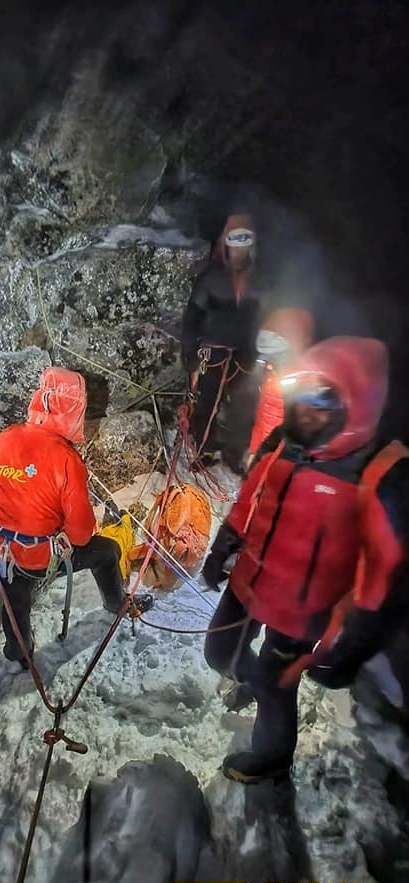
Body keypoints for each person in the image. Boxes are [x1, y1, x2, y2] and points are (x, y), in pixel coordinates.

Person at [201, 336, 409, 783]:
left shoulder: (378, 470)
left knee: (276, 686)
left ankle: (272, 760)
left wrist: (353, 646)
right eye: (300, 393)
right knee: (218, 651)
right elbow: (249, 498)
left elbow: (387, 576)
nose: (305, 409)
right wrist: (225, 544)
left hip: (303, 614)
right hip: (251, 582)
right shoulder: (282, 442)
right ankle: (248, 680)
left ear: (356, 400)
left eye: (322, 397)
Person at [0, 367, 153, 669]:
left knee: (15, 599)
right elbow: (81, 536)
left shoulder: (4, 439)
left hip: (1, 551)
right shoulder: (66, 459)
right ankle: (116, 603)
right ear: (74, 409)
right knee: (106, 551)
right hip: (37, 558)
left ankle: (17, 652)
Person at [180, 211, 262, 474]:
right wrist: (189, 353)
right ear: (226, 244)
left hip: (244, 355)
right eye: (235, 243)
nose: (239, 251)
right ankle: (203, 449)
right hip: (213, 355)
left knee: (243, 406)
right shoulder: (211, 277)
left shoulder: (259, 281)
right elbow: (192, 317)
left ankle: (234, 454)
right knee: (206, 403)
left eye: (244, 243)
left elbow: (267, 318)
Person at [247, 307, 315, 463]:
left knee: (266, 414)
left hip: (265, 356)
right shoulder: (303, 323)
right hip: (279, 375)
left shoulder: (283, 316)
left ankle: (254, 460)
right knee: (272, 415)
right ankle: (259, 464)